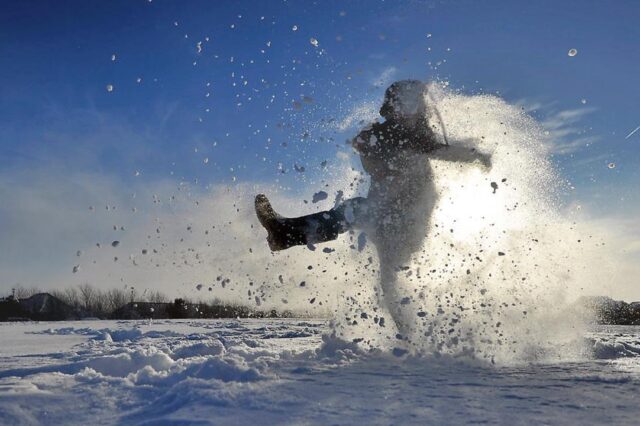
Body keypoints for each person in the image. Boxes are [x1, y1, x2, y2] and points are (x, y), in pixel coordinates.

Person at [255, 80, 491, 334]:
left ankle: (413, 336)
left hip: (410, 222)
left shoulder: (422, 138)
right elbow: (373, 167)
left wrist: (477, 157)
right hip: (384, 215)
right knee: (367, 235)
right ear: (391, 107)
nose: (407, 110)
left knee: (384, 265)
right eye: (400, 104)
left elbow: (444, 152)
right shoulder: (382, 133)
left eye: (413, 103)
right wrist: (367, 150)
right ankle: (284, 234)